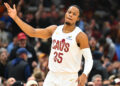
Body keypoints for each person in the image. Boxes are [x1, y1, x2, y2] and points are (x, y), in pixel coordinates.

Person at [4, 3, 93, 86]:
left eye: (74, 14)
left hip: (69, 78)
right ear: (65, 13)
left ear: (78, 18)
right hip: (52, 76)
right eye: (69, 12)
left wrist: (84, 74)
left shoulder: (80, 36)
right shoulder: (54, 29)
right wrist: (15, 17)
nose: (70, 15)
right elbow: (32, 32)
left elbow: (89, 59)